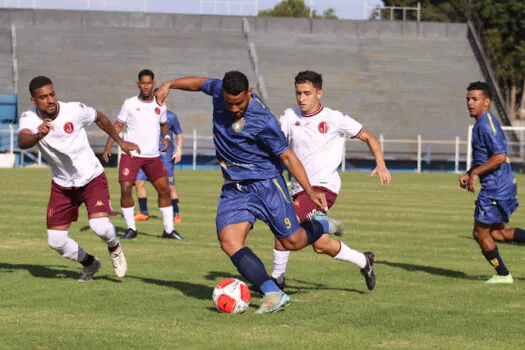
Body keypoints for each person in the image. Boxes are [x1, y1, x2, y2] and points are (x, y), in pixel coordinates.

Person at [155, 71, 369, 314]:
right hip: (234, 187)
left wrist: (309, 191)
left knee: (292, 241)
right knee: (229, 241)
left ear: (249, 93)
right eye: (229, 103)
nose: (234, 108)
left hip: (266, 184)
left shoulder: (263, 119)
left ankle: (322, 226)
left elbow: (287, 156)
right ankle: (273, 293)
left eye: (239, 103)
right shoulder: (219, 91)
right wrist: (169, 85)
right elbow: (199, 84)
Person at [271, 70, 391, 291]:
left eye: (307, 93)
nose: (301, 98)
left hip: (324, 187)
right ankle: (364, 261)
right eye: (298, 93)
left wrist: (381, 163)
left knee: (285, 224)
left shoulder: (335, 119)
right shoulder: (289, 116)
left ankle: (276, 281)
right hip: (299, 187)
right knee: (320, 244)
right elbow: (275, 144)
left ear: (319, 93)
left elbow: (369, 137)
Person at [17, 76, 138, 281]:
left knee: (99, 226)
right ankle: (90, 263)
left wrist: (120, 142)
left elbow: (99, 117)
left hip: (91, 177)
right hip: (62, 185)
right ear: (33, 101)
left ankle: (114, 247)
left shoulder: (74, 110)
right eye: (43, 97)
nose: (50, 100)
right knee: (55, 241)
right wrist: (38, 135)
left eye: (52, 94)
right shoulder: (29, 118)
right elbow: (22, 140)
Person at [103, 69, 183, 240]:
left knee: (164, 190)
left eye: (149, 83)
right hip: (131, 155)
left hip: (153, 156)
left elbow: (164, 124)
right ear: (138, 84)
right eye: (143, 83)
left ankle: (169, 230)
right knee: (125, 189)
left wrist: (167, 137)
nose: (146, 86)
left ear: (153, 84)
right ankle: (131, 229)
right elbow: (117, 126)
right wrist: (109, 145)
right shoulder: (129, 103)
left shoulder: (160, 105)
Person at [460, 81, 525, 284]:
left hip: (496, 187)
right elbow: (486, 156)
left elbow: (499, 156)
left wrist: (475, 173)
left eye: (475, 99)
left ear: (487, 101)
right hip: (499, 184)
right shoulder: (482, 122)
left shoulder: (486, 124)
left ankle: (503, 275)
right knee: (495, 233)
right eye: (468, 99)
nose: (470, 103)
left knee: (480, 233)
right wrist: (470, 171)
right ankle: (503, 275)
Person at [134, 109, 184, 224]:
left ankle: (175, 214)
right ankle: (143, 212)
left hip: (165, 157)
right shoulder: (146, 114)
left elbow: (179, 133)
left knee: (170, 186)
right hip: (147, 155)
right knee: (138, 182)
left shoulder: (171, 116)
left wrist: (179, 150)